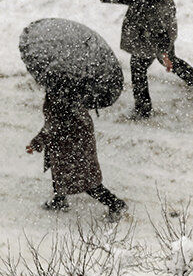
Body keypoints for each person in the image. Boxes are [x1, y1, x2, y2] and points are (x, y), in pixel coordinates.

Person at [26, 90, 127, 218]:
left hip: (70, 144)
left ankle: (115, 204)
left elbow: (52, 126)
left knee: (85, 181)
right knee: (66, 172)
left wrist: (36, 143)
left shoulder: (58, 93)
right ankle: (59, 199)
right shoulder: (73, 88)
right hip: (79, 139)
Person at [121, 0, 193, 118]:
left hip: (150, 38)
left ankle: (143, 109)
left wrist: (163, 52)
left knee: (138, 67)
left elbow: (158, 25)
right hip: (151, 35)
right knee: (163, 62)